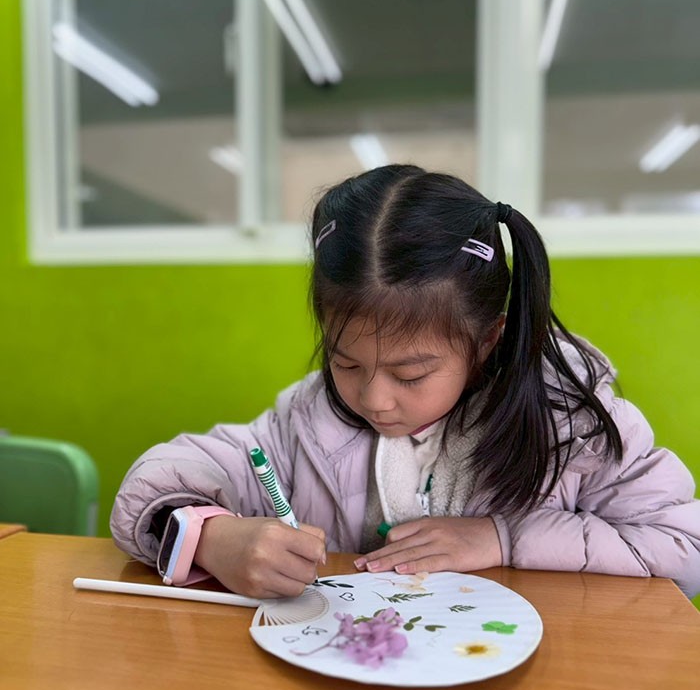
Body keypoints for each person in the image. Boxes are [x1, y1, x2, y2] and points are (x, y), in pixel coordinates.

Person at [110, 164, 700, 600]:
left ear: (487, 340)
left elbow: (685, 550)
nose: (373, 398)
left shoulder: (571, 423)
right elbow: (154, 482)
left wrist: (502, 538)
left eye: (411, 374)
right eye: (345, 363)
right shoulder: (306, 421)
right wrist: (211, 538)